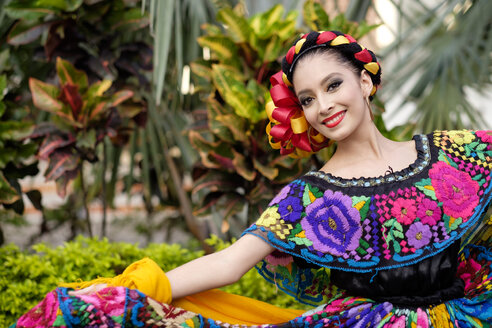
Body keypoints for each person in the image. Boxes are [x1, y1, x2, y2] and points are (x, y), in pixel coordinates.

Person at [12, 30, 492, 328]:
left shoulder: (450, 153)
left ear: (364, 82)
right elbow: (230, 264)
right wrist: (140, 288)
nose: (323, 106)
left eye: (332, 85)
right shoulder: (313, 197)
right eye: (306, 99)